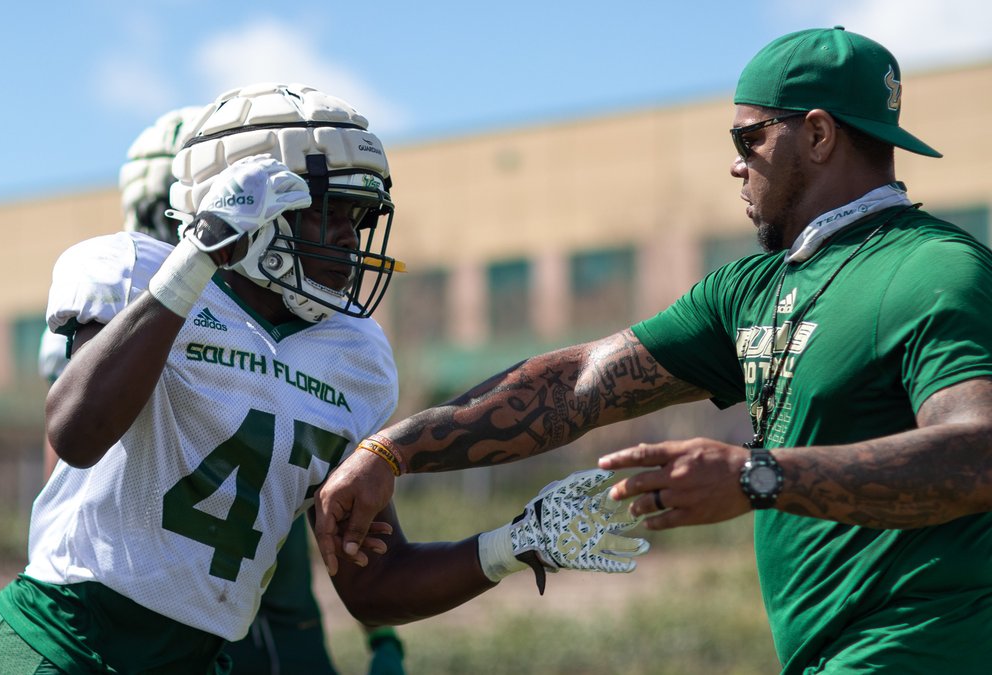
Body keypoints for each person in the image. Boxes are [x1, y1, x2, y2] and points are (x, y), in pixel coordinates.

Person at [314, 27, 992, 674]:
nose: (736, 164)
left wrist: (755, 476)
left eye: (749, 137)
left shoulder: (934, 270)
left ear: (817, 134)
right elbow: (576, 384)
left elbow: (980, 453)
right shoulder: (751, 290)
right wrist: (393, 450)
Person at [0, 83, 649, 674]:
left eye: (359, 216)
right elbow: (76, 433)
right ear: (250, 204)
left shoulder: (354, 355)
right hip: (61, 643)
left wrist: (516, 542)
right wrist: (198, 258)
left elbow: (371, 580)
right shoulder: (133, 272)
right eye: (329, 211)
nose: (349, 236)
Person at [35, 105, 408, 675]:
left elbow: (354, 531)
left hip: (258, 598)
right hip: (118, 607)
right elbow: (68, 466)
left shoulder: (337, 346)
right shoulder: (122, 286)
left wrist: (383, 636)